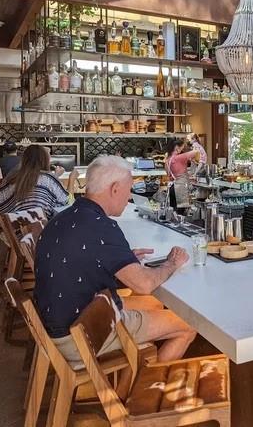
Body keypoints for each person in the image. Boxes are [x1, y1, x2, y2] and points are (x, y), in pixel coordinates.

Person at [35, 155, 196, 363]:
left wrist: (123, 259)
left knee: (154, 304)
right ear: (115, 189)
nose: (129, 197)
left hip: (56, 322)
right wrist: (171, 263)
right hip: (82, 334)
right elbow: (144, 284)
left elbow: (83, 256)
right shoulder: (101, 226)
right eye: (129, 189)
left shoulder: (64, 217)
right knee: (189, 325)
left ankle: (142, 359)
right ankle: (148, 381)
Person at [0, 145, 78, 219]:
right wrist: (72, 179)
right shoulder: (48, 179)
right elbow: (69, 204)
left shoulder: (14, 178)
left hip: (18, 231)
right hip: (43, 231)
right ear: (45, 160)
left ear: (23, 159)